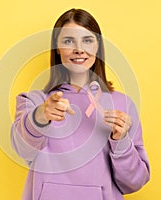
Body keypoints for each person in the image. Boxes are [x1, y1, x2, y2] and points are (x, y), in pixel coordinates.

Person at [11, 8, 150, 200]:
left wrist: (121, 141)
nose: (78, 49)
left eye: (87, 40)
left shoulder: (122, 105)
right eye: (68, 41)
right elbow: (22, 149)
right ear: (57, 49)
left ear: (97, 47)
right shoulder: (34, 102)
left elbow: (134, 182)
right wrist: (40, 117)